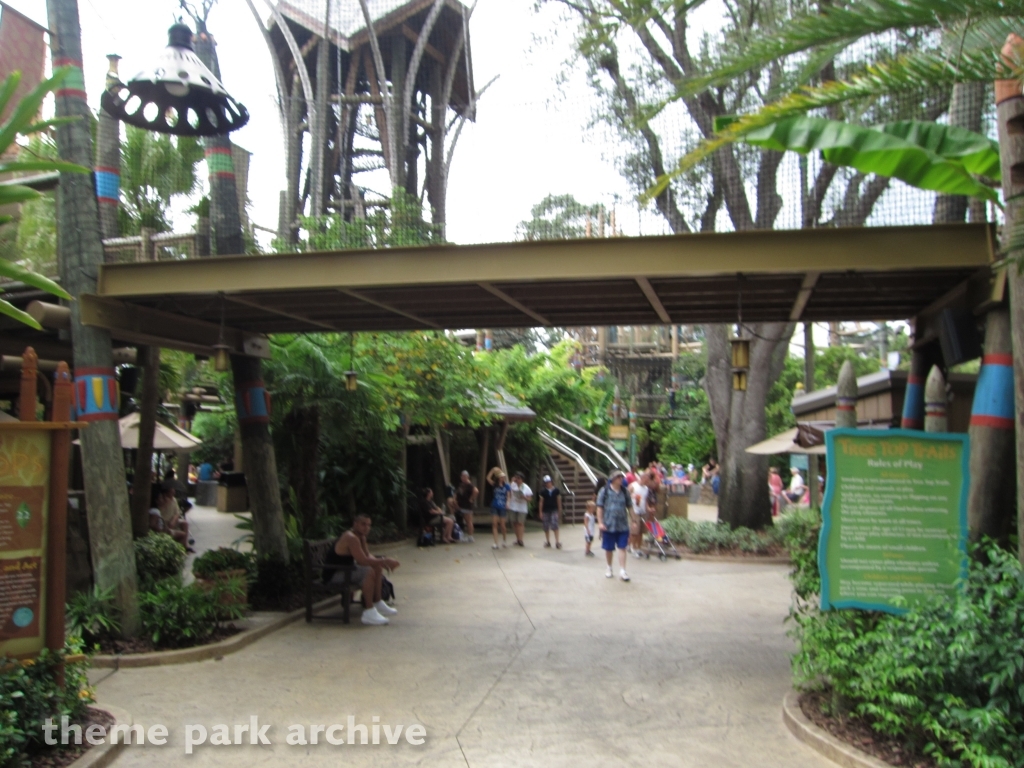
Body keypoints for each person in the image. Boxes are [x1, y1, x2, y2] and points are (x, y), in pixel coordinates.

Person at [326, 514, 400, 626]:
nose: (366, 528)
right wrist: (385, 561)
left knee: (376, 567)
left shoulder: (361, 537)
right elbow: (362, 561)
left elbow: (367, 556)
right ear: (355, 524)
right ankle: (369, 612)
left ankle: (378, 602)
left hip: (346, 570)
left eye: (369, 525)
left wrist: (382, 562)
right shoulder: (351, 538)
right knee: (368, 571)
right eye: (363, 524)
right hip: (334, 574)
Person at [597, 469, 633, 581]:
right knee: (609, 548)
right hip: (608, 524)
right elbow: (599, 507)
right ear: (612, 479)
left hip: (622, 525)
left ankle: (623, 570)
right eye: (618, 477)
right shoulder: (604, 491)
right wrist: (600, 522)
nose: (621, 479)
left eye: (621, 477)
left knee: (622, 547)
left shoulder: (625, 491)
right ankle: (609, 567)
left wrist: (634, 521)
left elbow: (630, 506)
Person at [148, 481, 192, 552]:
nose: (174, 492)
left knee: (185, 523)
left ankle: (185, 546)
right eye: (171, 491)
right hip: (164, 523)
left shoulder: (174, 500)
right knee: (180, 534)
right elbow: (155, 521)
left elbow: (177, 513)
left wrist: (173, 521)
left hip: (171, 521)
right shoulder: (161, 502)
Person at [486, 467, 511, 549]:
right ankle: (495, 542)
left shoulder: (507, 485)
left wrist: (507, 503)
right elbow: (488, 478)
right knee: (494, 524)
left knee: (503, 525)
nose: (502, 478)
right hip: (495, 505)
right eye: (501, 477)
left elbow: (508, 496)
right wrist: (493, 470)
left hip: (503, 506)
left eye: (503, 477)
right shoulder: (494, 484)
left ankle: (504, 540)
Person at [627, 471, 649, 557]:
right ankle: (633, 547)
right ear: (642, 478)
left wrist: (648, 509)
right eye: (646, 480)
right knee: (635, 530)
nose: (647, 482)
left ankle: (639, 548)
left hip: (642, 510)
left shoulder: (646, 488)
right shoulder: (633, 486)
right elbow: (626, 495)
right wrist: (631, 496)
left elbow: (645, 499)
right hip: (634, 510)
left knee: (641, 531)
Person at [538, 475, 562, 549]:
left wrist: (559, 510)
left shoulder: (556, 490)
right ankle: (548, 541)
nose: (548, 483)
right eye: (546, 482)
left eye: (549, 482)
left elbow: (558, 500)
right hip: (546, 510)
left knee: (555, 525)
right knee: (546, 526)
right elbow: (541, 502)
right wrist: (540, 512)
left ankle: (557, 542)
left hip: (554, 509)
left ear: (551, 482)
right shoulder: (543, 491)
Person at [455, 470, 477, 543]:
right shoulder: (462, 484)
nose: (463, 478)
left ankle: (470, 536)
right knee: (466, 521)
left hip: (467, 506)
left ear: (467, 477)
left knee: (469, 521)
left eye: (464, 476)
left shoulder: (469, 485)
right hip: (462, 505)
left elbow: (476, 491)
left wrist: (471, 498)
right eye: (462, 476)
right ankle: (468, 535)